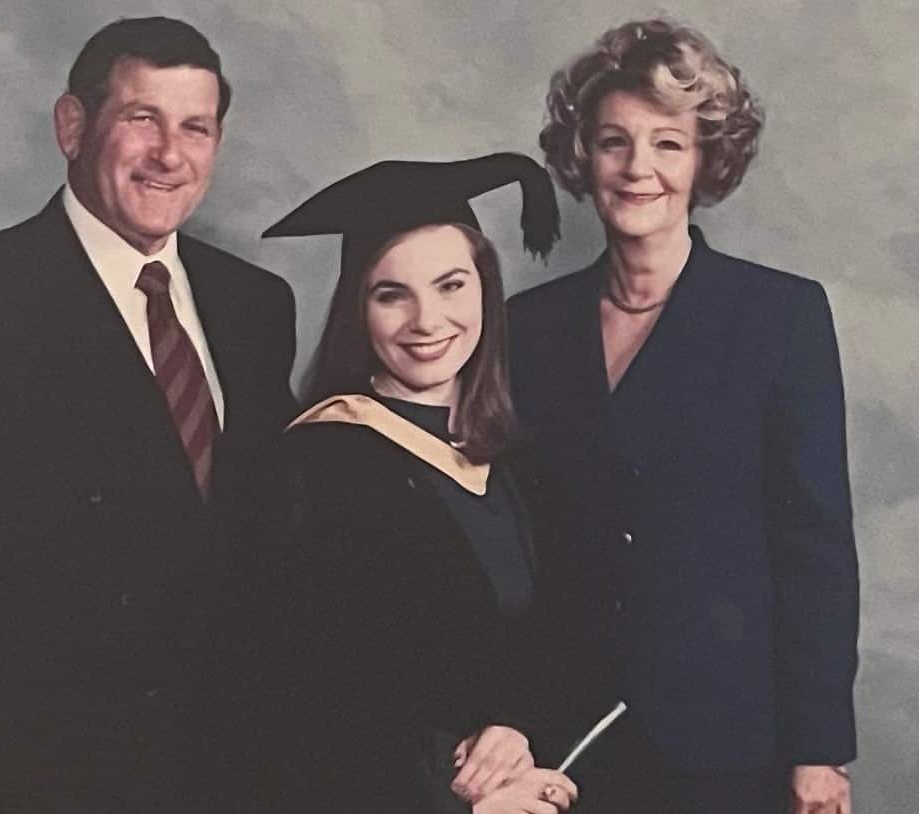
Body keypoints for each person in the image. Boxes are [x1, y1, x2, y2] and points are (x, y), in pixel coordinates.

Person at [0, 16, 296, 814]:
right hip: (46, 778)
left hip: (235, 773)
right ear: (72, 126)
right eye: (142, 119)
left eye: (194, 127)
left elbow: (269, 548)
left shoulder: (255, 306)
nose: (171, 154)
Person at [508, 18, 859, 814]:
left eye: (668, 143)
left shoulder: (781, 317)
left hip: (731, 740)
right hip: (564, 736)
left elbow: (816, 549)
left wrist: (820, 751)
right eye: (614, 142)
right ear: (581, 157)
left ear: (705, 161)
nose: (639, 169)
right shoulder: (526, 328)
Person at [259, 153, 605, 813]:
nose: (427, 321)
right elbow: (305, 711)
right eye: (393, 294)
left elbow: (541, 651)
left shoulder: (514, 466)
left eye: (451, 286)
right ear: (358, 308)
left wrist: (517, 728)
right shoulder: (317, 466)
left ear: (485, 291)